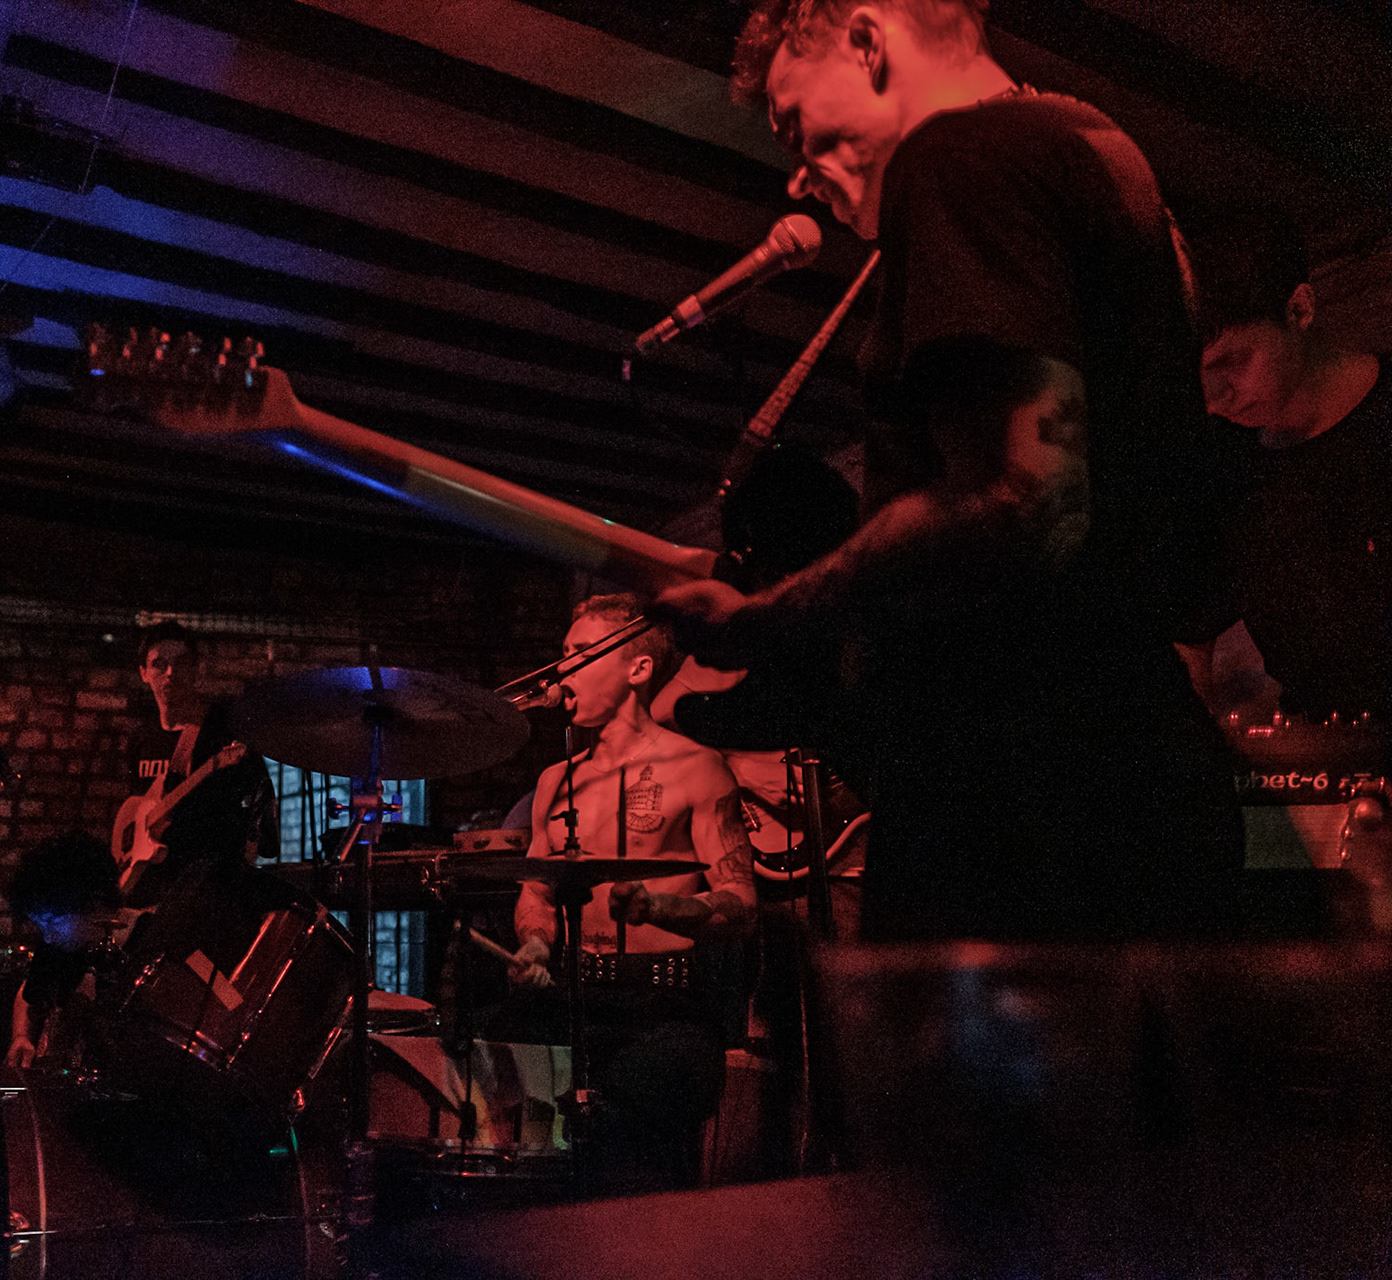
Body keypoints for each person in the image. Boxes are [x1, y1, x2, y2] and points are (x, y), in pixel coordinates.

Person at [655, 0, 1242, 941]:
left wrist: (769, 617)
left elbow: (1023, 497)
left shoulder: (959, 157)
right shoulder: (1104, 155)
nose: (799, 181)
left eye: (792, 124)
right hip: (1139, 775)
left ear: (867, 38)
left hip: (1014, 809)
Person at [499, 594, 759, 1192]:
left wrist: (662, 907)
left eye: (582, 654)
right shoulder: (554, 780)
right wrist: (536, 944)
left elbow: (742, 906)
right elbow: (536, 890)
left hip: (664, 1009)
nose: (562, 670)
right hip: (572, 995)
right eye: (562, 654)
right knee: (474, 1051)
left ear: (637, 670)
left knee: (630, 1106)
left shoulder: (698, 768)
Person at [1181, 204, 1388, 723]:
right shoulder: (1222, 466)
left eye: (1230, 362)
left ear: (1299, 310)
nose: (1212, 398)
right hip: (1320, 775)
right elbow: (1188, 643)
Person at [118, 622, 279, 899]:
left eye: (181, 663)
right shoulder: (141, 738)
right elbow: (137, 804)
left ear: (196, 670)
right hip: (151, 885)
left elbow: (252, 806)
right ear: (144, 673)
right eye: (159, 664)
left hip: (205, 884)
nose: (171, 673)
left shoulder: (219, 732)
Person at [4, 830, 123, 1069]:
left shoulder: (141, 944)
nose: (47, 937)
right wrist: (21, 1037)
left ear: (94, 902)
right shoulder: (59, 946)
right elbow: (28, 992)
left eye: (52, 923)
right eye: (40, 926)